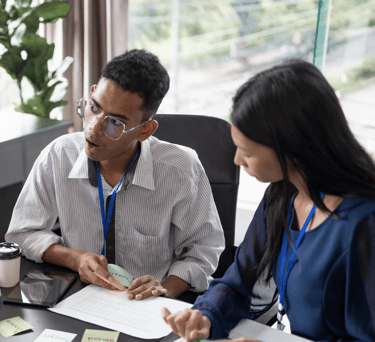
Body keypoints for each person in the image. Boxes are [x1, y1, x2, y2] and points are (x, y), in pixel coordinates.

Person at [162, 59, 375, 341]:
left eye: (247, 152)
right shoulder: (281, 194)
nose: (237, 160)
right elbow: (240, 280)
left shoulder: (363, 224)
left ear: (292, 148)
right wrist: (206, 314)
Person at [5, 49, 225, 300]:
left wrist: (165, 289)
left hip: (146, 305)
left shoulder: (181, 170)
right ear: (90, 93)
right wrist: (76, 258)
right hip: (79, 298)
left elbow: (203, 251)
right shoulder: (59, 155)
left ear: (145, 130)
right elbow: (22, 233)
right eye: (93, 108)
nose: (93, 128)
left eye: (115, 123)